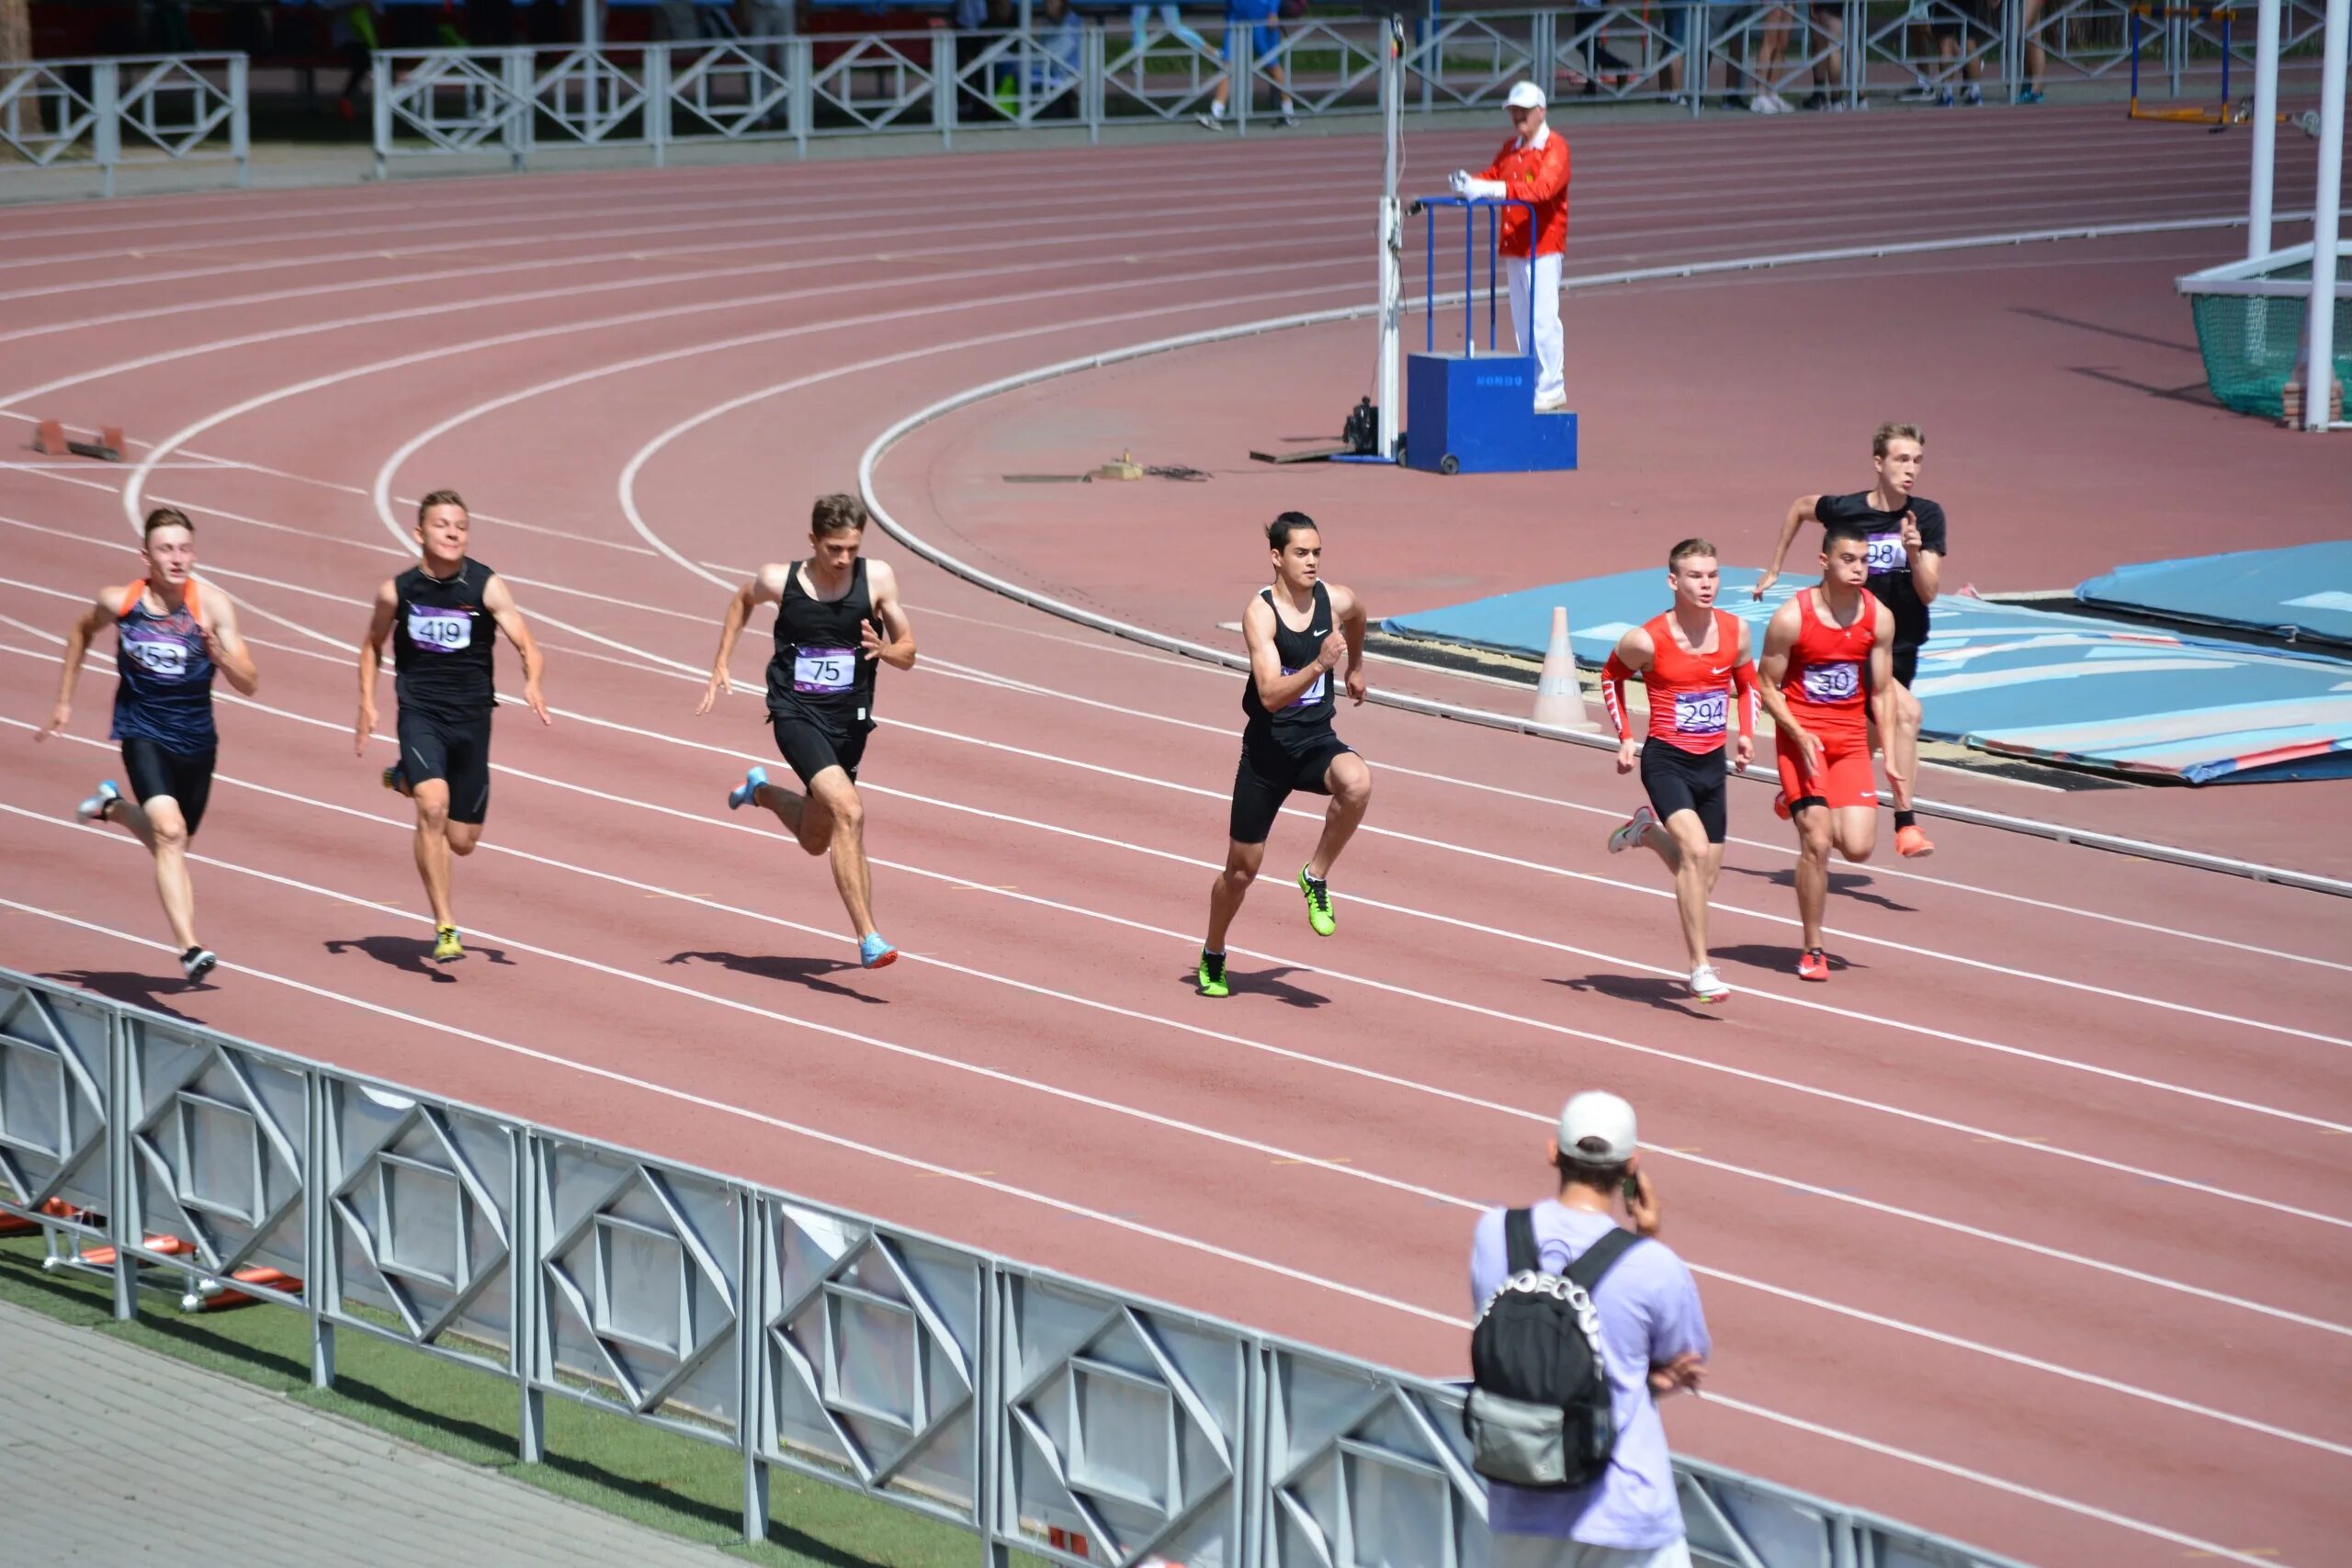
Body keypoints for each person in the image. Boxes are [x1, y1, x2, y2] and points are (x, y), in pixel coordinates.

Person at [1468, 1090, 1710, 1568]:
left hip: (1523, 1504)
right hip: (1625, 1507)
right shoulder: (1652, 1265)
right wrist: (1647, 1238)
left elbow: (1512, 1346)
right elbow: (1685, 1353)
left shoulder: (1494, 1234)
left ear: (1553, 1153)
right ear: (1631, 1168)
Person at [40, 508, 260, 984]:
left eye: (184, 548)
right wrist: (63, 702)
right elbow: (79, 632)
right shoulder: (121, 602)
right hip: (142, 732)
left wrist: (219, 655)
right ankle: (190, 948)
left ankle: (112, 806)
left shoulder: (213, 606)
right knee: (170, 833)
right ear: (146, 556)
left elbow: (251, 683)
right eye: (166, 549)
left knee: (172, 843)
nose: (176, 558)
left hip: (197, 741)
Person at [702, 494, 917, 971]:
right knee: (850, 812)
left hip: (850, 721)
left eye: (851, 549)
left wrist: (885, 649)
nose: (843, 559)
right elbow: (742, 600)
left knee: (817, 837)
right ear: (813, 541)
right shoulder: (779, 579)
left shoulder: (877, 578)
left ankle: (760, 791)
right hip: (795, 712)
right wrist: (721, 661)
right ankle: (869, 937)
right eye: (834, 548)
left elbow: (910, 652)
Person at [356, 490, 550, 965]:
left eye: (460, 526)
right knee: (433, 807)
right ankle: (446, 926)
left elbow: (527, 642)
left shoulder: (484, 586)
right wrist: (367, 703)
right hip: (421, 713)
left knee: (462, 842)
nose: (452, 533)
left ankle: (403, 777)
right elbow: (371, 645)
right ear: (420, 533)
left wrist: (533, 681)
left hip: (472, 720)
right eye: (442, 525)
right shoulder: (397, 591)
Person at [1197, 511, 1370, 998]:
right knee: (1240, 872)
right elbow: (1271, 694)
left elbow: (1359, 614)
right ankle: (1214, 950)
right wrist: (1322, 663)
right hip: (1269, 753)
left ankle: (1314, 876)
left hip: (1316, 743)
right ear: (1277, 557)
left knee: (1358, 782)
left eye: (1317, 552)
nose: (1312, 561)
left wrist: (1355, 667)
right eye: (1301, 553)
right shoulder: (1261, 612)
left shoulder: (1333, 600)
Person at [1755, 422, 1945, 859]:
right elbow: (1801, 508)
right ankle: (1906, 823)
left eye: (1917, 460)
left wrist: (1914, 552)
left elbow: (1930, 591)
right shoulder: (1847, 510)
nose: (1910, 469)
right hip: (1853, 641)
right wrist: (1774, 568)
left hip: (1901, 645)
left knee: (1869, 737)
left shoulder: (1927, 517)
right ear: (1879, 463)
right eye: (1901, 459)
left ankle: (1799, 792)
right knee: (1907, 716)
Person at [1601, 539, 1757, 1005]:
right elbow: (1610, 677)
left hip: (1712, 762)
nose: (1706, 584)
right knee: (1692, 854)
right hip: (1666, 759)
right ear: (1674, 581)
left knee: (1702, 878)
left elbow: (1748, 687)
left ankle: (1645, 831)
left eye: (1712, 575)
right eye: (1695, 575)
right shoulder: (1646, 640)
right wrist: (1626, 736)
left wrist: (1746, 734)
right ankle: (1700, 969)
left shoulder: (1737, 632)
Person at [1754, 523, 1900, 983]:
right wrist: (1797, 732)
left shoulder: (1879, 618)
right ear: (1824, 562)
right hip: (1803, 742)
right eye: (1848, 560)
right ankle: (1813, 947)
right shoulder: (1792, 618)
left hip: (1851, 743)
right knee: (1817, 843)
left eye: (1864, 560)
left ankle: (1793, 802)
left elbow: (1881, 693)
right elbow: (1766, 683)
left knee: (1857, 849)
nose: (1859, 569)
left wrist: (1891, 754)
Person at [1449, 82, 1571, 412]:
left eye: (1524, 111)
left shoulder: (1554, 148)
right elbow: (1492, 175)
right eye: (1513, 110)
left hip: (1543, 246)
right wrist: (1469, 182)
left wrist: (1493, 189)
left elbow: (1543, 189)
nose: (1518, 116)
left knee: (1543, 319)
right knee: (1522, 320)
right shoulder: (1511, 148)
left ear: (1540, 112)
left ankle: (1551, 386)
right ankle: (1533, 382)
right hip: (1515, 245)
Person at [1196, 0, 1296, 129]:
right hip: (1236, 19)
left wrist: (1272, 11)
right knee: (1226, 66)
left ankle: (1288, 113)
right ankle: (1216, 114)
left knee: (1272, 66)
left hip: (1262, 19)